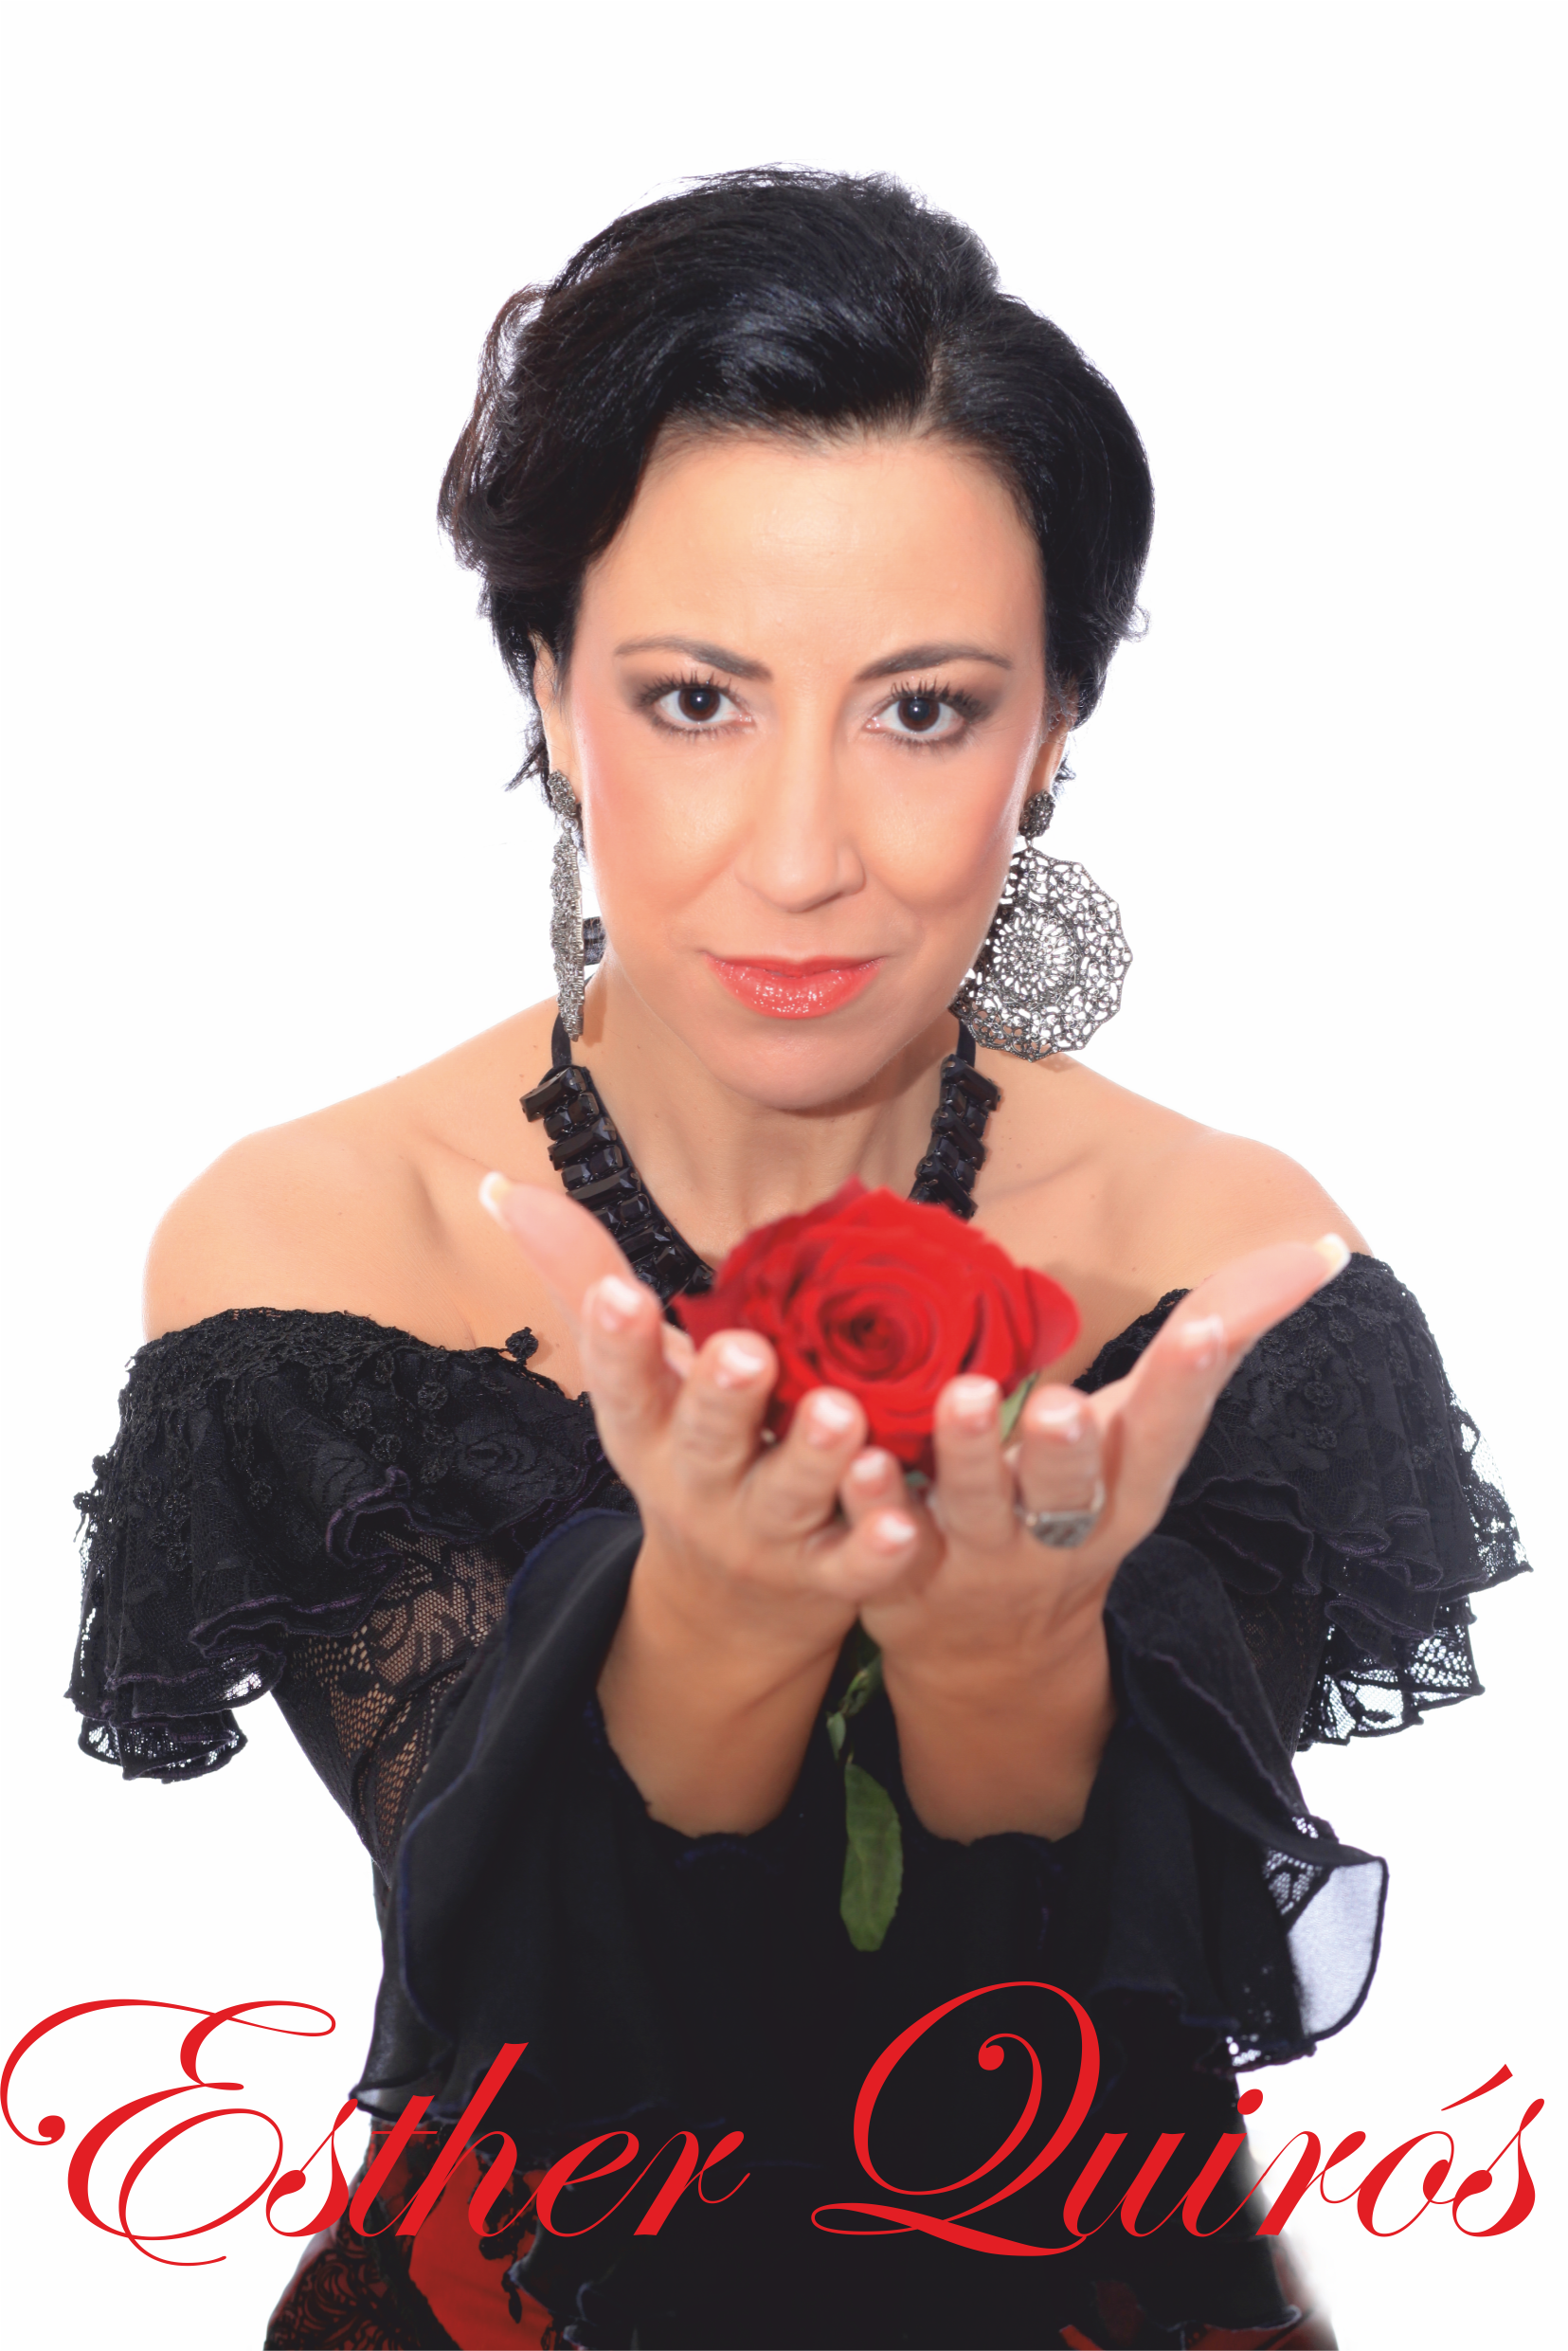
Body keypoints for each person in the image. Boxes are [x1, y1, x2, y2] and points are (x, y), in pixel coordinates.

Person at [68, 170, 1527, 2351]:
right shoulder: (320, 1251)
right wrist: (720, 1616)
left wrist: (1004, 1666)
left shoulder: (1219, 1263)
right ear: (548, 690)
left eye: (920, 710)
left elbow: (1125, 1978)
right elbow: (524, 1976)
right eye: (694, 700)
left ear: (1051, 734)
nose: (801, 851)